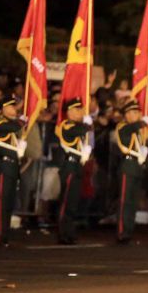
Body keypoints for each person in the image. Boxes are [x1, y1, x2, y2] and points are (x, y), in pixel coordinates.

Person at [54, 97, 92, 245]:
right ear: (69, 112)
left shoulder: (78, 125)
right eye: (77, 109)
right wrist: (87, 124)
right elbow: (79, 130)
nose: (81, 112)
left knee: (73, 202)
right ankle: (63, 232)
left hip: (77, 166)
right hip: (69, 166)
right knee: (66, 201)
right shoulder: (67, 125)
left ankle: (70, 232)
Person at [0, 95, 25, 246]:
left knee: (8, 203)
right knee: (1, 202)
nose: (14, 109)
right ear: (3, 109)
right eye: (11, 106)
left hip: (11, 167)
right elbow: (9, 127)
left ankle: (5, 235)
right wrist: (22, 121)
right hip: (3, 167)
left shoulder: (11, 123)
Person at [114, 99, 148, 244]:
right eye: (134, 112)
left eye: (138, 112)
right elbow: (129, 130)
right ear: (126, 115)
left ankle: (129, 230)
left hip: (137, 167)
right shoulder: (123, 127)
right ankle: (122, 231)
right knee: (124, 201)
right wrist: (141, 123)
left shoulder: (138, 130)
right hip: (127, 166)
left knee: (133, 202)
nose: (137, 115)